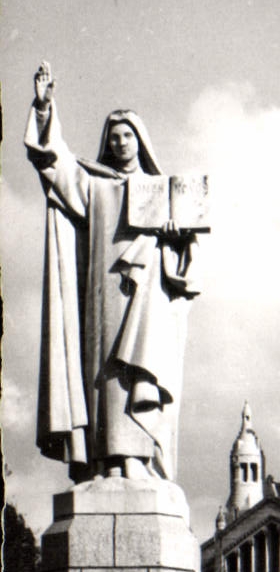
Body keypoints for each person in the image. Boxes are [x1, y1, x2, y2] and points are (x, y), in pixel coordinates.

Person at [26, 62, 198, 482]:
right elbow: (53, 163)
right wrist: (44, 109)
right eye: (114, 137)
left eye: (127, 136)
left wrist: (175, 240)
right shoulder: (95, 185)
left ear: (140, 141)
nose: (121, 143)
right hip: (104, 297)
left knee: (139, 372)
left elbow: (186, 261)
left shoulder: (162, 191)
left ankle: (137, 460)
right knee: (107, 378)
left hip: (148, 297)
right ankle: (108, 462)